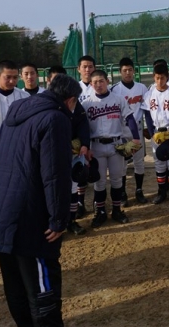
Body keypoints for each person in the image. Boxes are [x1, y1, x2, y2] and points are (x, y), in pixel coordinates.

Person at [0, 74, 81, 327]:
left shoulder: (17, 109)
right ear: (70, 100)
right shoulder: (55, 118)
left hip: (2, 210)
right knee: (41, 288)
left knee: (16, 284)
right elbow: (54, 174)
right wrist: (58, 219)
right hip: (30, 217)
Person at [81, 69, 141, 228]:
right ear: (91, 84)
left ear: (107, 81)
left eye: (101, 81)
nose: (98, 84)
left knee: (116, 179)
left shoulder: (118, 99)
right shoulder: (86, 104)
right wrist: (86, 146)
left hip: (116, 145)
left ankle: (116, 210)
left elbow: (130, 118)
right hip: (96, 146)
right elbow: (83, 128)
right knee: (99, 182)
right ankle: (100, 212)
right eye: (95, 82)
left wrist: (135, 138)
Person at [48, 65, 90, 235]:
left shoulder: (74, 103)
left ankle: (71, 221)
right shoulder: (46, 105)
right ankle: (54, 223)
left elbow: (83, 123)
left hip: (71, 151)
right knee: (53, 190)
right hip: (51, 155)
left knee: (73, 187)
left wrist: (84, 143)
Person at [110, 57, 149, 205]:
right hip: (122, 129)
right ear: (120, 72)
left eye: (130, 70)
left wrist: (148, 127)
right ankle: (123, 193)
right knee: (122, 163)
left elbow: (146, 110)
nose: (128, 73)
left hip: (137, 128)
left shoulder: (142, 88)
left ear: (134, 71)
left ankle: (139, 190)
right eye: (125, 70)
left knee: (139, 162)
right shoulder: (115, 89)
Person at [142, 63, 169, 204]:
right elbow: (147, 115)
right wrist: (152, 132)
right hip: (157, 131)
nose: (159, 81)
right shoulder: (149, 94)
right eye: (157, 78)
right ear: (154, 77)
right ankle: (161, 191)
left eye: (162, 78)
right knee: (159, 162)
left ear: (167, 77)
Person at [75, 56, 96, 218]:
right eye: (84, 67)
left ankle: (97, 200)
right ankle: (80, 202)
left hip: (97, 134)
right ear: (79, 69)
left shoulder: (99, 84)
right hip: (81, 135)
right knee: (80, 170)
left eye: (90, 66)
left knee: (96, 169)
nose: (87, 70)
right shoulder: (74, 88)